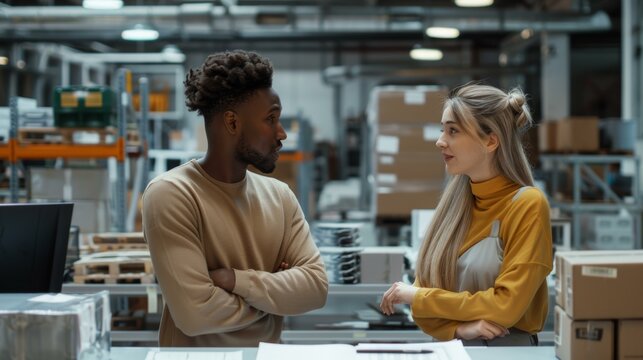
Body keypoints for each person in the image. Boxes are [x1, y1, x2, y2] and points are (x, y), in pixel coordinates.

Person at [142, 50, 328, 347]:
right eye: (271, 119)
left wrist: (233, 280)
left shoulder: (279, 196)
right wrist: (273, 299)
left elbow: (315, 288)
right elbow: (194, 314)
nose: (282, 133)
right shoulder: (173, 194)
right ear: (231, 123)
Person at [379, 83, 552, 346]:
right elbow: (422, 312)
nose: (440, 141)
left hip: (505, 352)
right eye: (442, 129)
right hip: (451, 349)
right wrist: (461, 330)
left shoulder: (527, 205)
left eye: (453, 130)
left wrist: (420, 297)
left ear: (490, 140)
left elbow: (506, 307)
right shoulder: (452, 208)